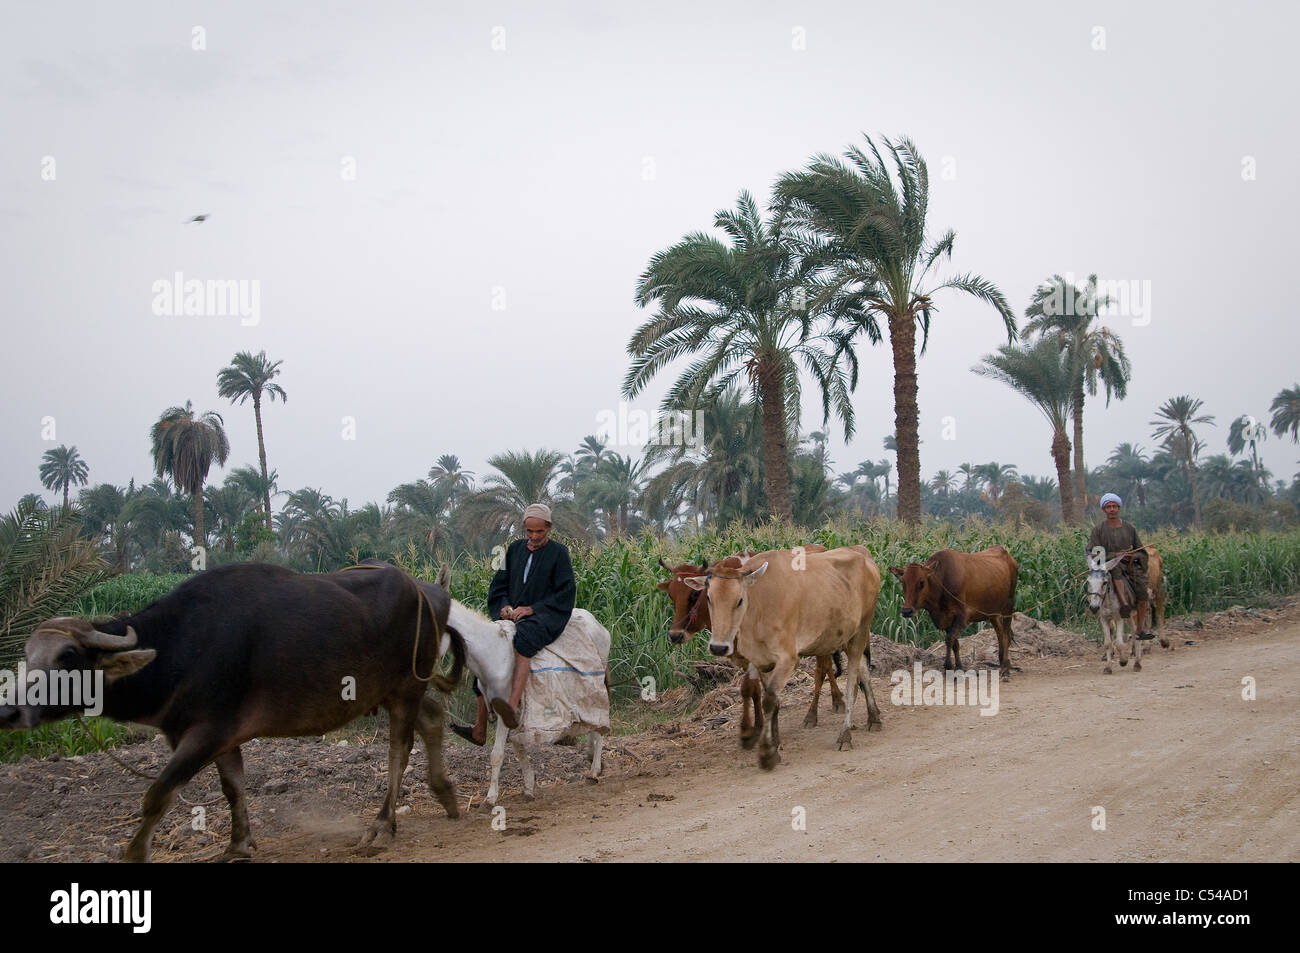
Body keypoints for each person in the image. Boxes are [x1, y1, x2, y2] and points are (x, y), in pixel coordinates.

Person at [451, 503, 576, 745]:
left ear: (548, 528)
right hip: (511, 614)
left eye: (539, 532)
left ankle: (511, 706)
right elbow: (499, 585)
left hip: (546, 615)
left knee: (524, 640)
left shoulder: (559, 553)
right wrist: (505, 607)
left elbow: (565, 591)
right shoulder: (514, 550)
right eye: (529, 531)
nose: (534, 536)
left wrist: (532, 609)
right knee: (483, 651)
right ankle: (479, 726)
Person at [1087, 492, 1154, 640]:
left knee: (1143, 590)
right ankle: (1123, 605)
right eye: (1108, 507)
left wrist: (1133, 556)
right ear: (1104, 510)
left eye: (1114, 506)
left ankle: (1140, 629)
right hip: (1108, 567)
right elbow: (1093, 552)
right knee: (1098, 583)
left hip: (1130, 567)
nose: (1111, 509)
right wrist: (1114, 556)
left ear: (1118, 508)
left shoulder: (1130, 528)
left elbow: (1141, 551)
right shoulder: (1098, 530)